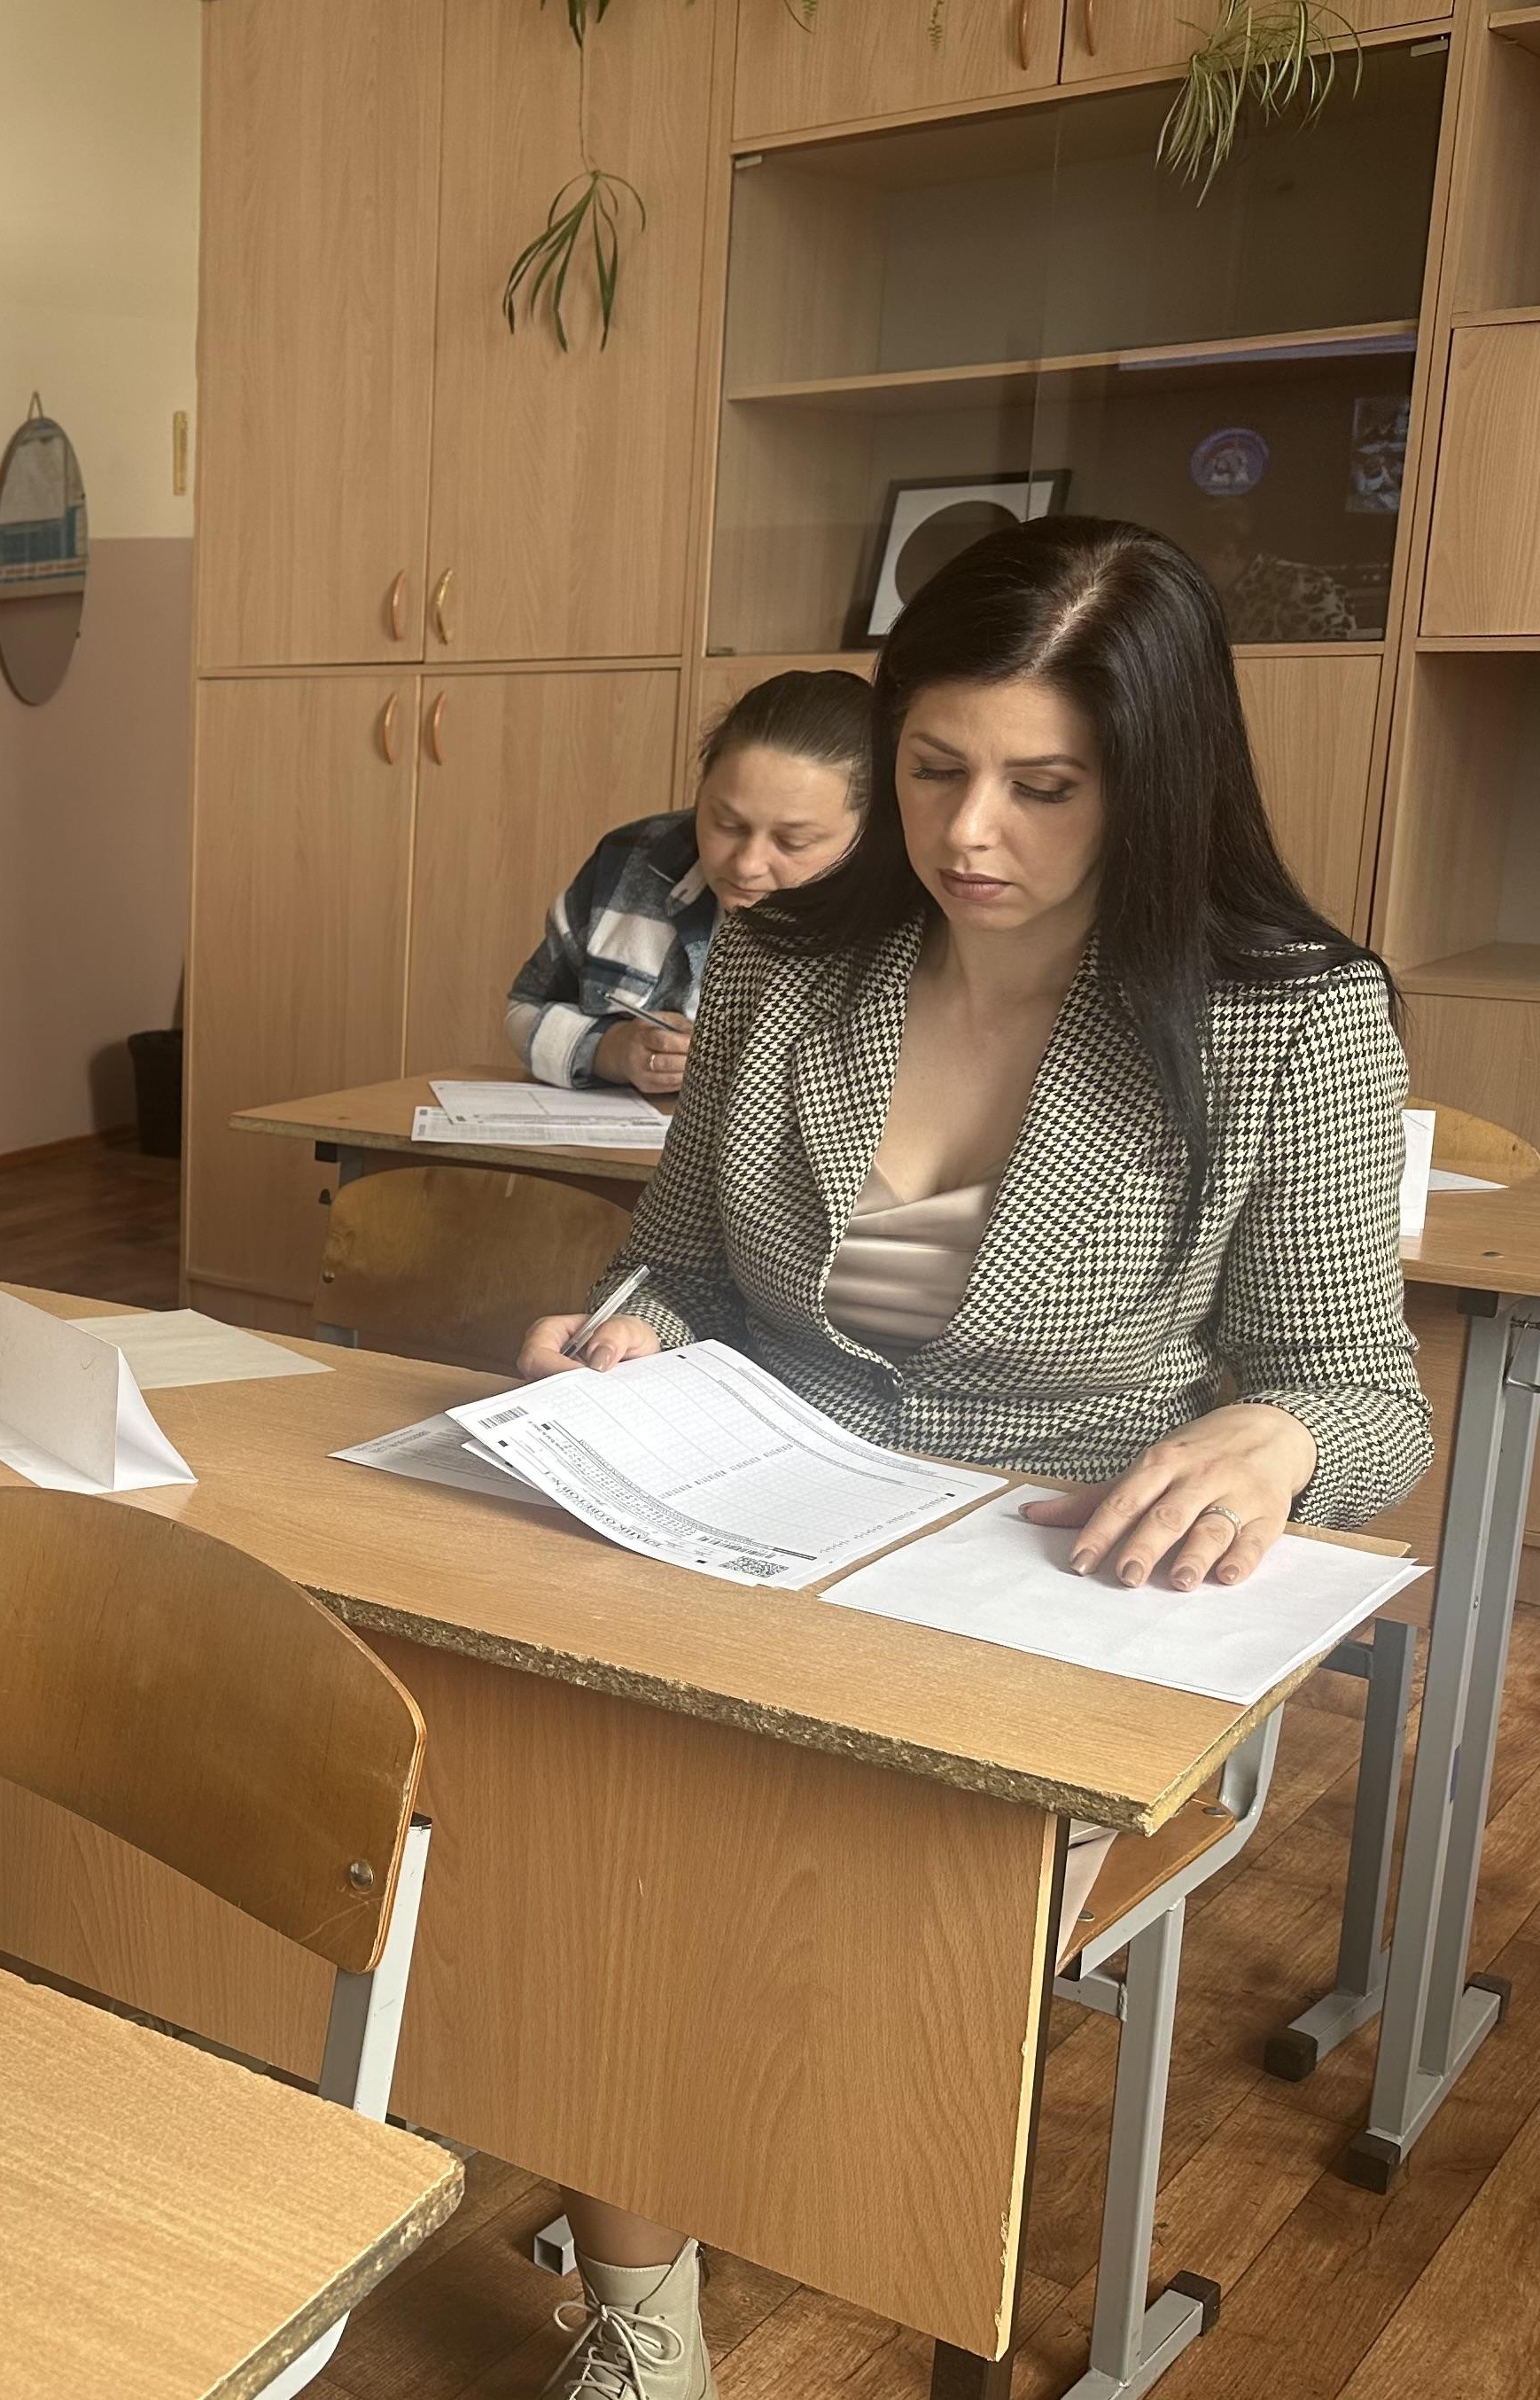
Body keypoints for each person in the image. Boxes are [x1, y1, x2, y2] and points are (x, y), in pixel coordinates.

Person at [504, 520, 1427, 2400]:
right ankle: (639, 2303)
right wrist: (630, 1333)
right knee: (584, 1836)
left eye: (1041, 786)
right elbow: (681, 1262)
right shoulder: (789, 960)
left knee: (823, 1913)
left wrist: (1276, 1431)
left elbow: (1363, 1393)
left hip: (1054, 1582)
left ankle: (715, 2160)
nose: (967, 833)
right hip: (751, 1525)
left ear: (1153, 781)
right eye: (930, 769)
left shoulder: (1287, 1017)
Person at [504, 670, 874, 1095]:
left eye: (792, 842)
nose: (747, 865)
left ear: (868, 835)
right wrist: (613, 1051)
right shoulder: (630, 862)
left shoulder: (900, 927)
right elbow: (525, 1008)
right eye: (727, 824)